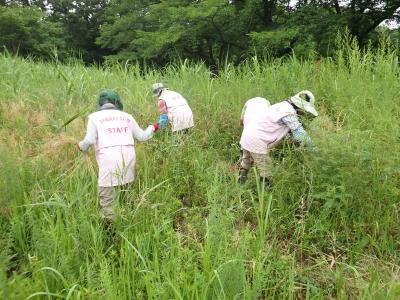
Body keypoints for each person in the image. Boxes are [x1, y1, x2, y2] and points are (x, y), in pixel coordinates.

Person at [77, 89, 159, 222]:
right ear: (116, 102)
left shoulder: (94, 117)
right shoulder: (127, 116)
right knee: (124, 192)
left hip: (109, 160)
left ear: (101, 103)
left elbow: (89, 140)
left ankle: (112, 232)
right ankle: (127, 221)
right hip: (128, 158)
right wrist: (153, 127)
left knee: (108, 200)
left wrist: (80, 146)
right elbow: (143, 136)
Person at [238, 91, 318, 188]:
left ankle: (240, 184)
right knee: (266, 170)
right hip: (257, 140)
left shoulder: (280, 106)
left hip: (247, 134)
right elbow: (300, 133)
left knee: (246, 161)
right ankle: (265, 194)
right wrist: (316, 151)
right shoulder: (288, 113)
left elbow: (281, 131)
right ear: (300, 108)